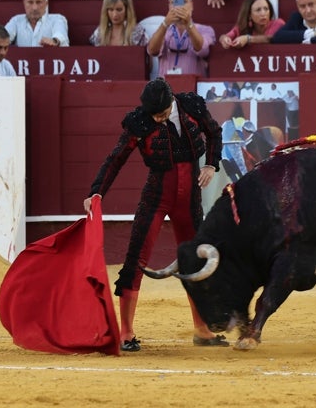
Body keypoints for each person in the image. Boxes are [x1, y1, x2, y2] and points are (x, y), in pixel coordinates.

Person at [82, 77, 225, 351]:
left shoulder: (191, 106)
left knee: (196, 261)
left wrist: (211, 165)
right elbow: (116, 158)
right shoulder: (141, 121)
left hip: (190, 200)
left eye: (160, 115)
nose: (157, 120)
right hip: (156, 198)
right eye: (153, 116)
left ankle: (202, 329)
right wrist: (97, 191)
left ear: (171, 102)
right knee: (136, 258)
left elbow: (214, 132)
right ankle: (126, 333)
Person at [147, 0, 215, 77]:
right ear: (169, 6)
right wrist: (165, 24)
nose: (179, 6)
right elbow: (152, 51)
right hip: (166, 89)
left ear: (191, 5)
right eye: (175, 2)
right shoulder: (163, 30)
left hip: (194, 88)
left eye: (184, 2)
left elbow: (202, 49)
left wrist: (189, 25)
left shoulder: (205, 30)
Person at [5, 0, 70, 47]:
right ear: (24, 3)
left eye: (38, 2)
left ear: (46, 4)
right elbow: (3, 37)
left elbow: (61, 35)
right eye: (30, 2)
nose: (34, 8)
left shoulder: (57, 19)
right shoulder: (16, 20)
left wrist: (54, 41)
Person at [218, 0, 285, 49]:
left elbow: (271, 38)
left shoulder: (278, 24)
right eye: (258, 10)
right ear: (249, 15)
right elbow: (225, 36)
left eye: (266, 9)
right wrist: (225, 40)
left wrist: (248, 39)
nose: (263, 13)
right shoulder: (242, 26)